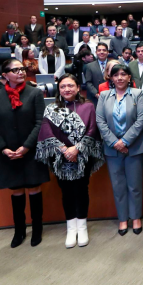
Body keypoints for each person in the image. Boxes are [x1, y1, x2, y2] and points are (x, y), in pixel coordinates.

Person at [0, 59, 50, 248]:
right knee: (16, 191)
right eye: (15, 70)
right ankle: (19, 230)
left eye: (22, 69)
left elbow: (40, 122)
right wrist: (3, 148)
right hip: (8, 153)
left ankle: (37, 229)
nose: (21, 72)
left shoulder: (35, 93)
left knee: (33, 188)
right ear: (5, 75)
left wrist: (26, 146)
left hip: (30, 150)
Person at [36, 74, 104, 248]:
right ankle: (71, 228)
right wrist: (63, 149)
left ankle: (82, 228)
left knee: (82, 190)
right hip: (60, 157)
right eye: (63, 86)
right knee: (66, 192)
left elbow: (92, 129)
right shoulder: (51, 108)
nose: (67, 89)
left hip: (82, 156)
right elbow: (46, 130)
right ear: (58, 89)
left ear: (78, 87)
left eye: (70, 86)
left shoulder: (88, 106)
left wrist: (77, 148)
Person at [95, 64, 143, 236]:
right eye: (115, 75)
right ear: (110, 78)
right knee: (118, 186)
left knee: (135, 186)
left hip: (134, 147)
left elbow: (142, 119)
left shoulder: (137, 94)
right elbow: (100, 122)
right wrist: (115, 142)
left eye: (123, 74)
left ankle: (136, 217)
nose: (119, 78)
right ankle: (123, 219)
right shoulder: (103, 96)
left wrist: (125, 141)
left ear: (129, 77)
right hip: (112, 149)